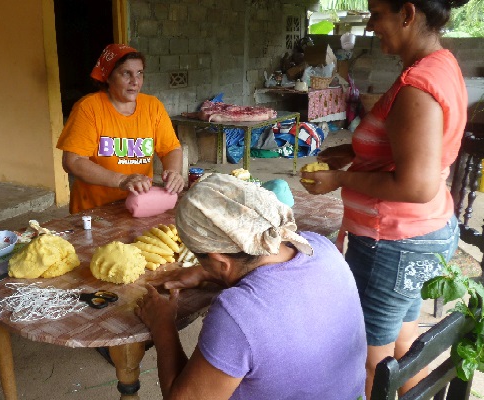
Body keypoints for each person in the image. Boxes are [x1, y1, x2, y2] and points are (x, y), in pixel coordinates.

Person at [301, 0, 469, 397]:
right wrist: (360, 156)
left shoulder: (417, 87)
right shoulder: (440, 65)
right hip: (420, 233)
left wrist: (342, 178)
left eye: (377, 14)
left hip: (393, 242)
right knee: (403, 345)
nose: (372, 25)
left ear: (407, 13)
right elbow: (411, 153)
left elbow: (416, 185)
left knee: (370, 356)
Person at [135, 173, 367, 400]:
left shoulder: (237, 312)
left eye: (201, 259)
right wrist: (209, 272)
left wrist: (163, 325)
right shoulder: (318, 245)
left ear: (220, 260)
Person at [56, 44, 184, 214]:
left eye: (140, 73)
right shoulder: (88, 108)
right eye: (126, 73)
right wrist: (121, 180)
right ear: (108, 77)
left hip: (140, 204)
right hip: (95, 209)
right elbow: (73, 161)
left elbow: (171, 148)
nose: (135, 81)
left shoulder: (153, 107)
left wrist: (173, 172)